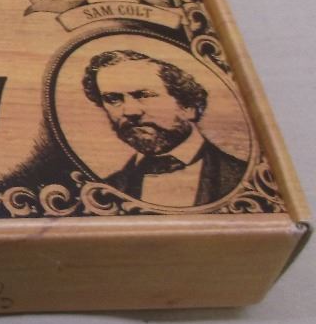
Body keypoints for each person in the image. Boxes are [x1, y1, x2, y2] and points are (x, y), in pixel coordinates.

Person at [81, 49, 247, 206]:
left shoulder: (243, 177)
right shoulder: (104, 192)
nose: (130, 111)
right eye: (113, 99)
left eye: (144, 95)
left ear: (188, 105)